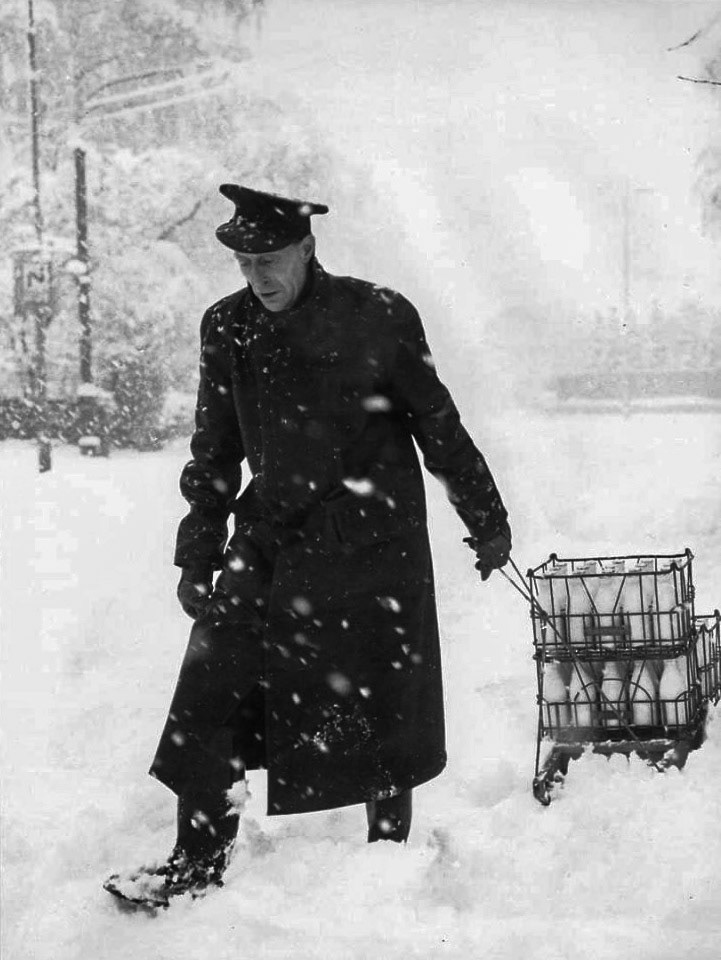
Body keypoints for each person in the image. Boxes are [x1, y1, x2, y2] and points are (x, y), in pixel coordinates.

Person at [104, 184, 511, 908]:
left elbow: (436, 426)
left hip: (369, 545)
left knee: (377, 711)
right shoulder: (225, 327)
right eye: (243, 260)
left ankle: (387, 869)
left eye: (269, 258)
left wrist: (486, 519)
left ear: (306, 247)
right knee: (209, 694)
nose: (257, 276)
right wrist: (197, 554)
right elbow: (214, 450)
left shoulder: (377, 314)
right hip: (270, 540)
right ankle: (194, 864)